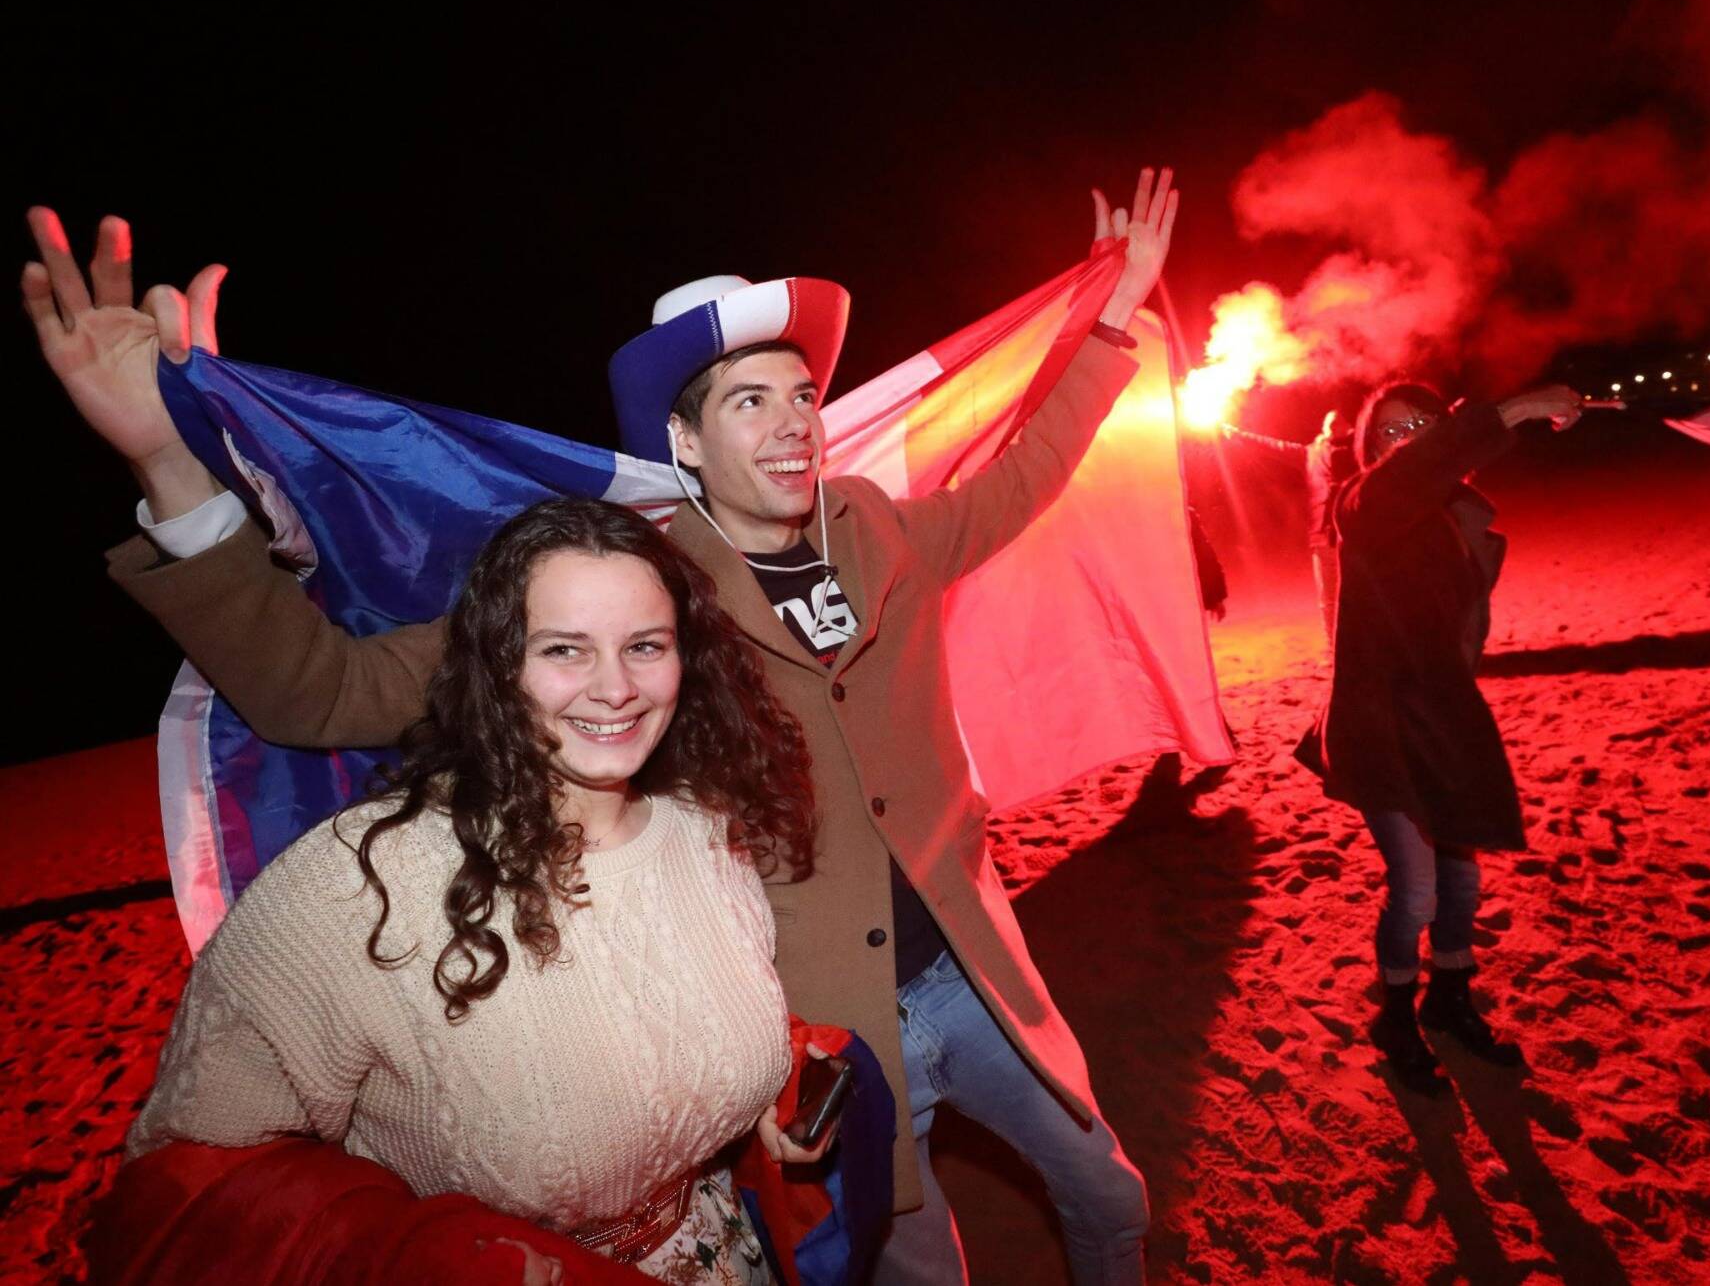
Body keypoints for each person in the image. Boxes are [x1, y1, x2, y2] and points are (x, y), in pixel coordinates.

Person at [24, 168, 1175, 1285]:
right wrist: (170, 459)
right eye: (747, 400)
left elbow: (1021, 477)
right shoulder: (630, 596)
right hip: (822, 1032)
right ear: (684, 445)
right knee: (910, 1263)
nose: (790, 427)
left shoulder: (879, 528)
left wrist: (1109, 329)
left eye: (801, 395)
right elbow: (320, 692)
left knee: (1107, 1193)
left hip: (975, 978)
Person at [119, 497, 831, 1282]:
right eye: (565, 649)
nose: (616, 687)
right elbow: (194, 1168)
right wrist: (424, 1256)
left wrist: (765, 1091)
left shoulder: (705, 832)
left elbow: (660, 1028)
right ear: (497, 665)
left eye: (645, 645)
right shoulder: (362, 881)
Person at [1293, 380, 1589, 1093]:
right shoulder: (1362, 505)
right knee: (1418, 889)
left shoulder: (1457, 515)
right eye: (1393, 432)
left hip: (1441, 721)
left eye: (1421, 424)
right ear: (1370, 451)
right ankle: (1395, 1016)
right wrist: (1505, 412)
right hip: (1378, 729)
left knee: (1462, 880)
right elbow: (1399, 484)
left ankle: (1449, 999)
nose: (1410, 439)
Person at [1220, 407, 1355, 649]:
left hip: (1355, 534)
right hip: (1323, 535)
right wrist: (1238, 435)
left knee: (1356, 595)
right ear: (1323, 428)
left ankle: (1360, 646)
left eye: (1338, 422)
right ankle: (1334, 647)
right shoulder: (1310, 454)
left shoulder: (1358, 451)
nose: (1333, 426)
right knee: (1329, 599)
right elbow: (1273, 447)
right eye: (1330, 423)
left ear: (1348, 426)